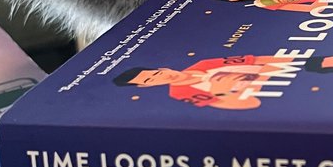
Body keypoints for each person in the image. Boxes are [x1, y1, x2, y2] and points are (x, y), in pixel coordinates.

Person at [113, 54, 294, 109]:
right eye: (150, 81)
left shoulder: (204, 64)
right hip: (276, 96)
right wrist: (219, 90)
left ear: (163, 69)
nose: (161, 78)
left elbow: (262, 60)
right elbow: (247, 105)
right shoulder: (181, 93)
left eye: (155, 74)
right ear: (147, 86)